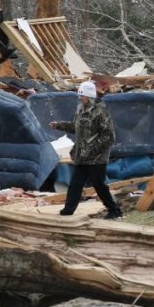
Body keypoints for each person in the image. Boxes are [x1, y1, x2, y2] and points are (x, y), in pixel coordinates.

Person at [50, 81, 123, 219]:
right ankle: (68, 211)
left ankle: (114, 210)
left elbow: (109, 136)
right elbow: (75, 127)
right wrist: (59, 125)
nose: (79, 98)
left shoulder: (101, 113)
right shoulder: (80, 110)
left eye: (81, 95)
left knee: (99, 185)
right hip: (82, 156)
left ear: (89, 96)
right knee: (75, 184)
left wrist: (92, 149)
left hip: (97, 158)